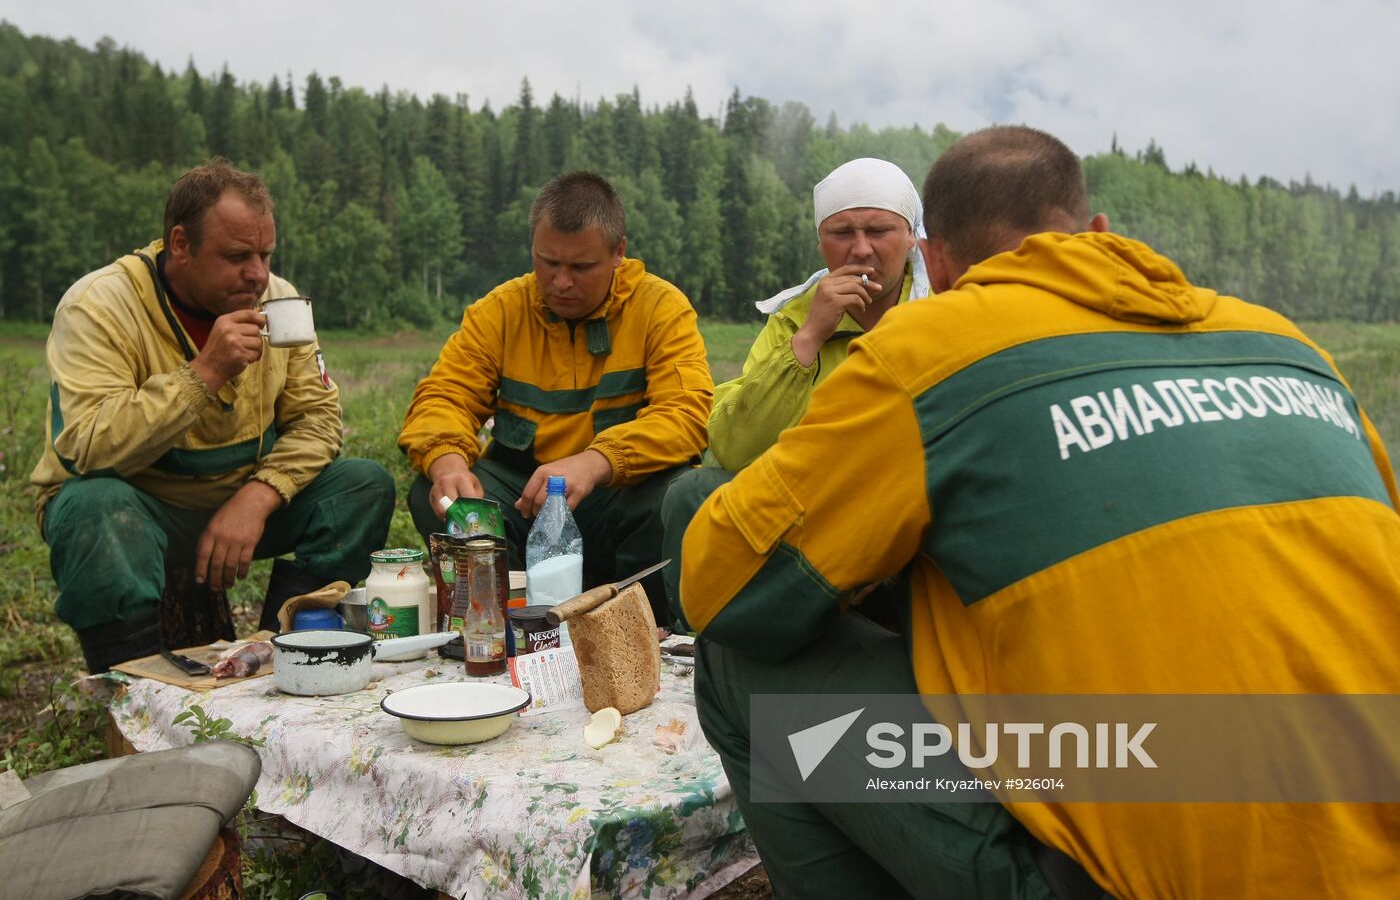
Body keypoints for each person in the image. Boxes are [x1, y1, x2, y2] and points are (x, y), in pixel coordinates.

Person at [679, 126, 1400, 897]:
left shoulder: (931, 347)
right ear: (1097, 233)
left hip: (1126, 870)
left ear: (937, 262)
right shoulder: (1287, 346)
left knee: (732, 663)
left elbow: (721, 587)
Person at [31, 159, 397, 673]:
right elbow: (89, 445)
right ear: (180, 244)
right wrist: (203, 374)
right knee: (96, 509)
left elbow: (318, 419)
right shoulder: (100, 306)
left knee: (363, 485)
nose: (258, 274)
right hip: (140, 504)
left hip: (238, 495)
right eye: (237, 256)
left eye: (266, 254)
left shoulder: (280, 301)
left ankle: (280, 653)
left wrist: (259, 495)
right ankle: (131, 686)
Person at [398, 171, 711, 623]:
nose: (561, 281)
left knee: (670, 493)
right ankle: (500, 620)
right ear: (533, 248)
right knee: (437, 490)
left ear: (619, 252)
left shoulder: (660, 309)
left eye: (581, 268)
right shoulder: (501, 311)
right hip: (523, 503)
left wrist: (596, 461)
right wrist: (446, 461)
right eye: (548, 262)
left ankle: (642, 624)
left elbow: (687, 414)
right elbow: (446, 394)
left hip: (609, 501)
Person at [660, 157, 930, 626]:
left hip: (895, 521)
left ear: (911, 238)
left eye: (879, 230)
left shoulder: (938, 315)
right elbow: (731, 448)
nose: (860, 250)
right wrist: (808, 340)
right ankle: (700, 645)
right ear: (821, 242)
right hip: (804, 515)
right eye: (842, 232)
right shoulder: (794, 319)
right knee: (693, 491)